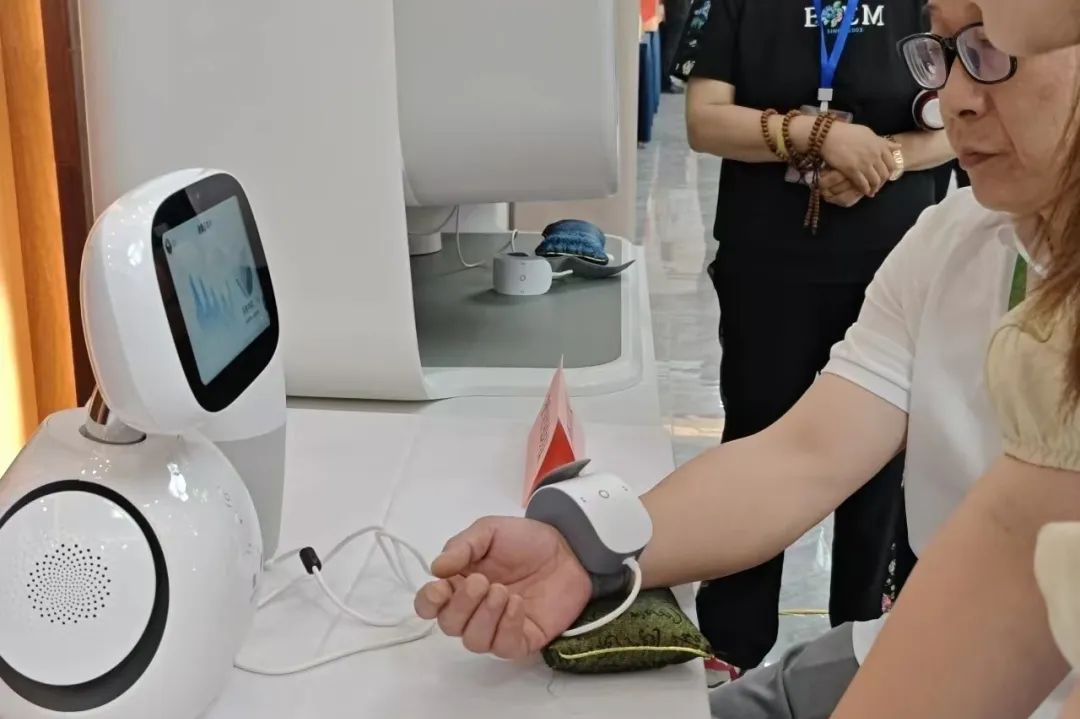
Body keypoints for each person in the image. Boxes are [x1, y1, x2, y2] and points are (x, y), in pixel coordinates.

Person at [413, 1, 1080, 716]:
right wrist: (588, 551)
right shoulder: (955, 242)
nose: (953, 100)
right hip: (920, 648)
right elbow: (804, 455)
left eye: (991, 50)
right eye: (945, 54)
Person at [683, 0, 953, 672]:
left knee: (881, 462)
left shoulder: (928, 7)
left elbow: (960, 121)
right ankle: (731, 645)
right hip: (767, 264)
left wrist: (884, 158)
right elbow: (705, 118)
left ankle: (864, 650)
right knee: (756, 435)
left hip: (895, 266)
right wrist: (818, 134)